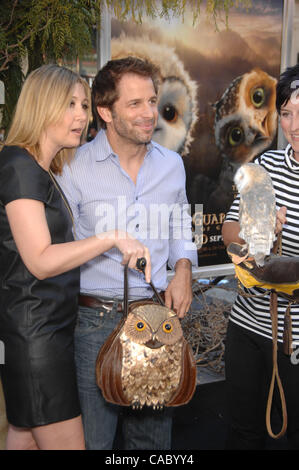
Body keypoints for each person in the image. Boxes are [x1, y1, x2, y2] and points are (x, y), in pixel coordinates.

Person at [0, 64, 151, 451]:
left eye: (84, 105)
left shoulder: (40, 168)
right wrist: (112, 237)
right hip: (38, 340)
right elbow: (40, 260)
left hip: (46, 334)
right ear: (41, 106)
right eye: (69, 104)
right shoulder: (19, 167)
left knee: (23, 440)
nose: (81, 116)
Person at [57, 56, 198, 450]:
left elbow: (181, 223)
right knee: (94, 442)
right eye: (134, 104)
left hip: (156, 318)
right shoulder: (72, 168)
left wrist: (183, 267)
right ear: (105, 111)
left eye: (152, 101)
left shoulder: (173, 165)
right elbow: (55, 249)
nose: (150, 113)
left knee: (153, 442)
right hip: (92, 323)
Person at [222, 63, 299, 449]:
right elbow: (228, 232)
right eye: (286, 113)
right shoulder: (264, 167)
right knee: (242, 435)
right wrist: (260, 228)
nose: (295, 125)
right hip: (249, 327)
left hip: (296, 339)